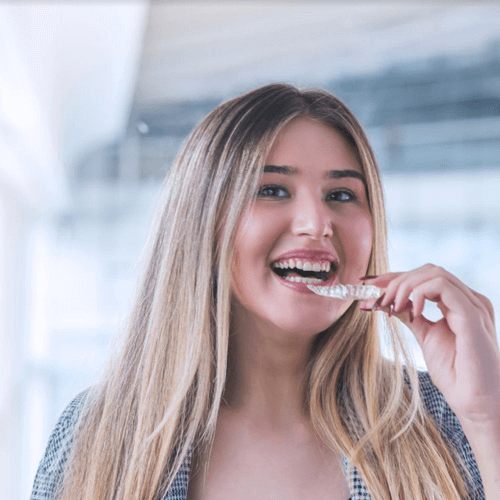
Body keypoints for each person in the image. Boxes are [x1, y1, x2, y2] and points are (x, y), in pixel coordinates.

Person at [30, 83, 499, 500]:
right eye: (272, 190)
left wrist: (486, 417)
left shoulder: (443, 420)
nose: (317, 224)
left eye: (341, 195)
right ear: (203, 224)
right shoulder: (94, 437)